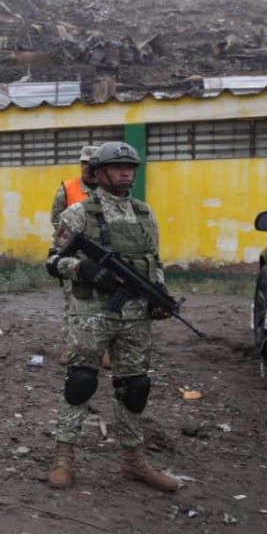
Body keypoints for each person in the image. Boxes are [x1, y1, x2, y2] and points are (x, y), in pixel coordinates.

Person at [44, 141, 179, 493]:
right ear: (99, 172)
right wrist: (84, 269)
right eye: (117, 167)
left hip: (135, 315)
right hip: (90, 314)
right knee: (80, 382)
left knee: (135, 387)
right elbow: (53, 261)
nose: (125, 173)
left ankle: (134, 459)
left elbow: (153, 262)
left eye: (129, 167)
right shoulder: (78, 214)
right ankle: (63, 456)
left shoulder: (144, 213)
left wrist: (160, 296)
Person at [51, 145, 102, 366]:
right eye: (84, 163)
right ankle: (70, 347)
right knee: (73, 302)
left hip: (103, 256)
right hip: (74, 257)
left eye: (92, 163)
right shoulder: (67, 188)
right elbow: (57, 220)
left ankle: (103, 350)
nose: (87, 167)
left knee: (104, 303)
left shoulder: (109, 189)